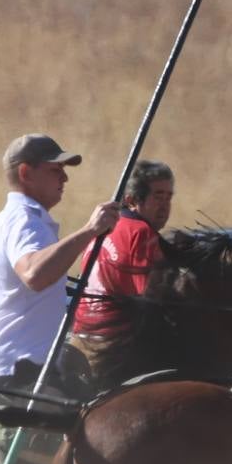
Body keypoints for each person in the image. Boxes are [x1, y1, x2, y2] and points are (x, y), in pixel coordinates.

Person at [0, 133, 119, 432]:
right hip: (24, 378)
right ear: (26, 173)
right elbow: (35, 275)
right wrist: (91, 230)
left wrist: (18, 299)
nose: (65, 178)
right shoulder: (27, 221)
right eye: (55, 170)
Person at [67, 159, 172, 388]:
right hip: (113, 345)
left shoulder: (106, 224)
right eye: (158, 196)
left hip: (81, 335)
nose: (165, 206)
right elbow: (150, 298)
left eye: (168, 198)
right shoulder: (142, 233)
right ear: (133, 200)